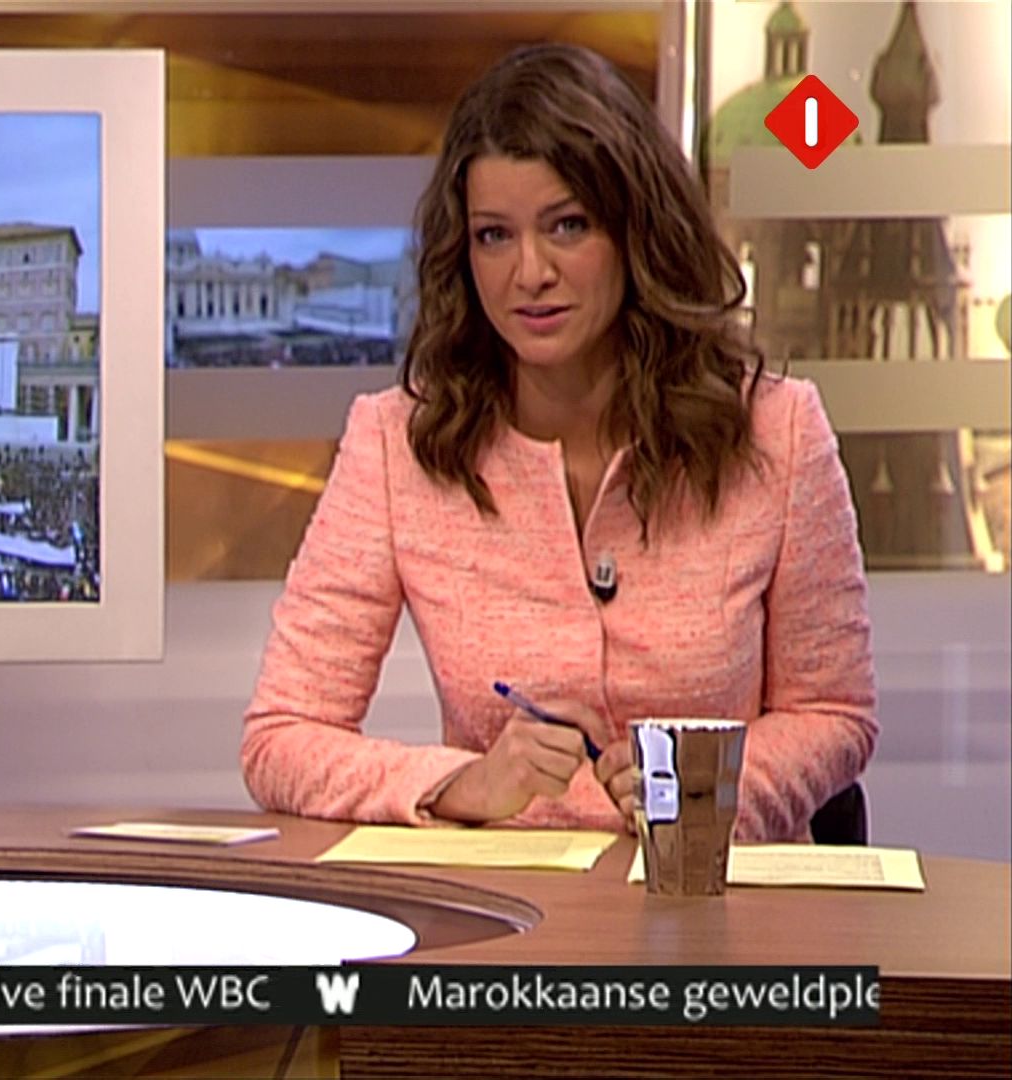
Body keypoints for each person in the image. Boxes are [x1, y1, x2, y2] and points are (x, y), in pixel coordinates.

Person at [240, 44, 876, 843]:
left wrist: (709, 789)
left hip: (716, 896)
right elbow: (282, 737)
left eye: (567, 226)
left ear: (636, 231)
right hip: (512, 907)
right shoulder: (397, 445)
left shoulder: (777, 432)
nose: (529, 272)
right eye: (494, 236)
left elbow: (833, 712)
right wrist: (460, 783)